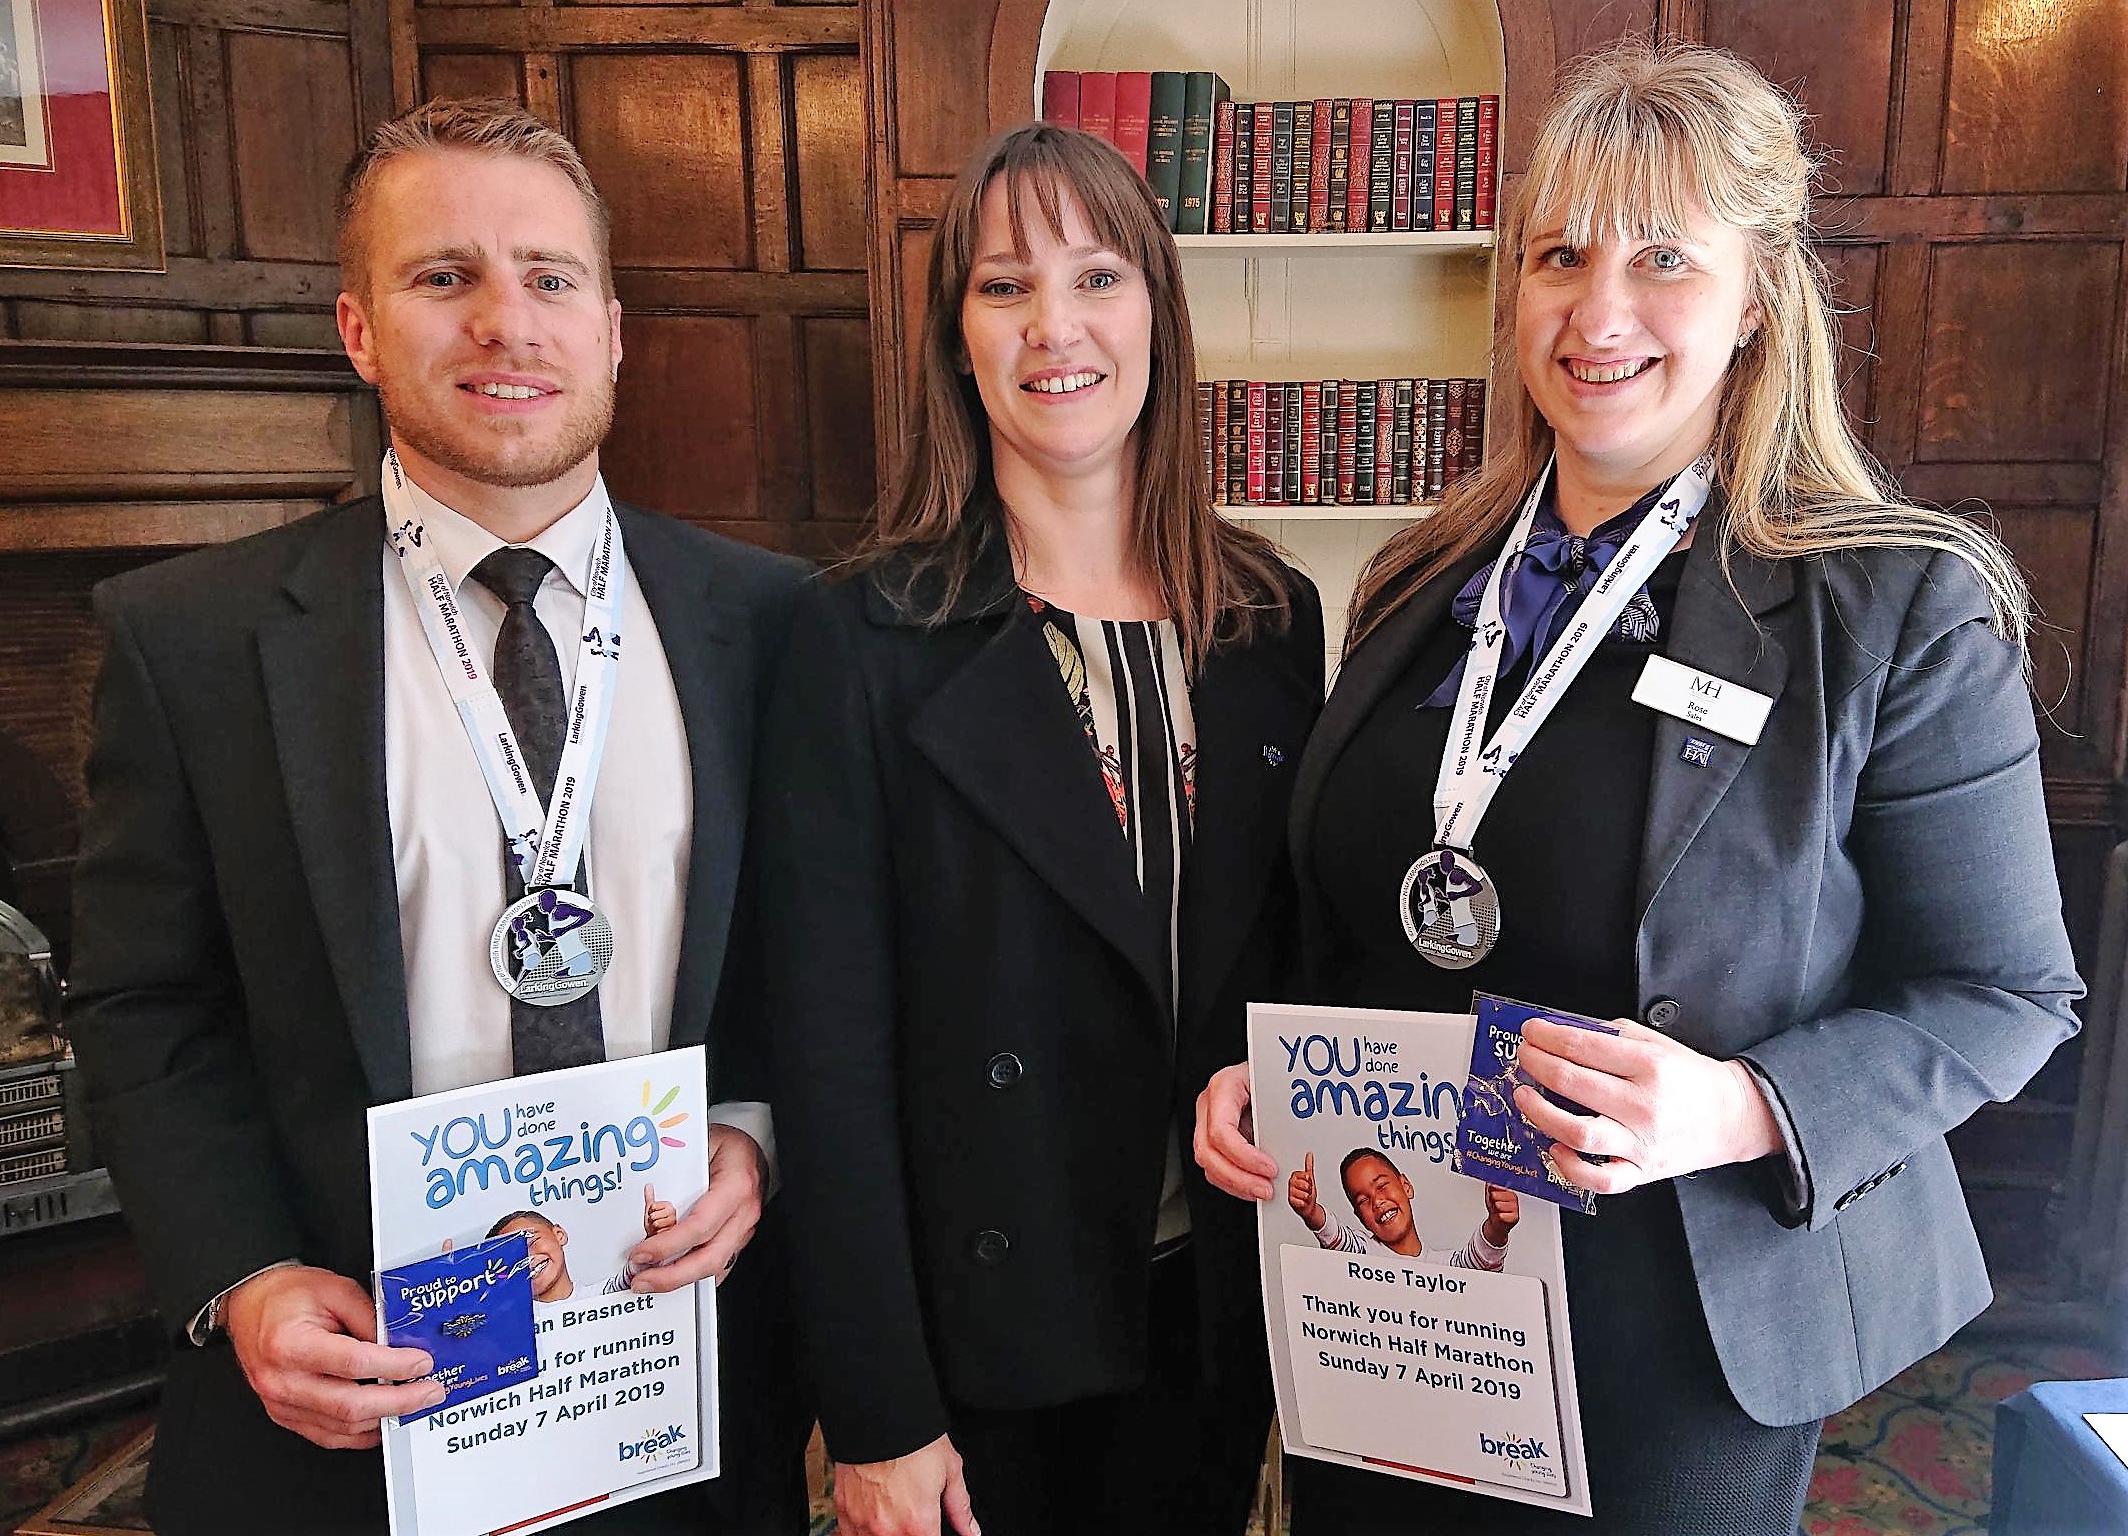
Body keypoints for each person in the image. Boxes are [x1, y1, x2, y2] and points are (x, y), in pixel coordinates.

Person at [1194, 42, 2081, 1535]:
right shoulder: (1420, 582)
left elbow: (2005, 991)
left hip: (1674, 1323)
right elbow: (1352, 921)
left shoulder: (1890, 607)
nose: (1596, 312)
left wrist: (1745, 1105)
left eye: (1661, 257)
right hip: (1403, 1290)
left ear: (1754, 299)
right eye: (1559, 255)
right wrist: (1265, 1078)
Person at [67, 98, 809, 1536]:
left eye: (547, 278)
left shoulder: (774, 624)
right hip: (351, 1404)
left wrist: (755, 1133)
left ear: (610, 327)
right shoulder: (197, 641)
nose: (503, 323)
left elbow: (809, 960)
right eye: (441, 277)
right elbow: (142, 1002)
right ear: (358, 330)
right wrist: (244, 1279)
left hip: (673, 1385)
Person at [757, 123, 1323, 1536]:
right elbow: (825, 1061)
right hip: (978, 1340)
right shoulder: (856, 638)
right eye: (1004, 287)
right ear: (957, 336)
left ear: (1156, 314)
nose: (1053, 326)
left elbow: (1280, 962)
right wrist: (878, 1410)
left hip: (1205, 1306)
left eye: (1096, 277)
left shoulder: (1266, 620)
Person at [1287, 1149, 1516, 1268]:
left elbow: (1479, 1264)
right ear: (1360, 1217)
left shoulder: (1445, 1266)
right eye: (1363, 1201)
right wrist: (1311, 1212)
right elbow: (1335, 1236)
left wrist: (1498, 1226)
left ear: (1406, 1186)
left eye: (1382, 1186)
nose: (1377, 1201)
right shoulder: (1363, 1255)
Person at [487, 1195, 674, 1302]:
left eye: (532, 1241)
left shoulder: (598, 1297)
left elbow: (637, 1275)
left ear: (559, 1235)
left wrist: (656, 1241)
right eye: (511, 1256)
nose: (527, 1258)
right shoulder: (511, 1329)